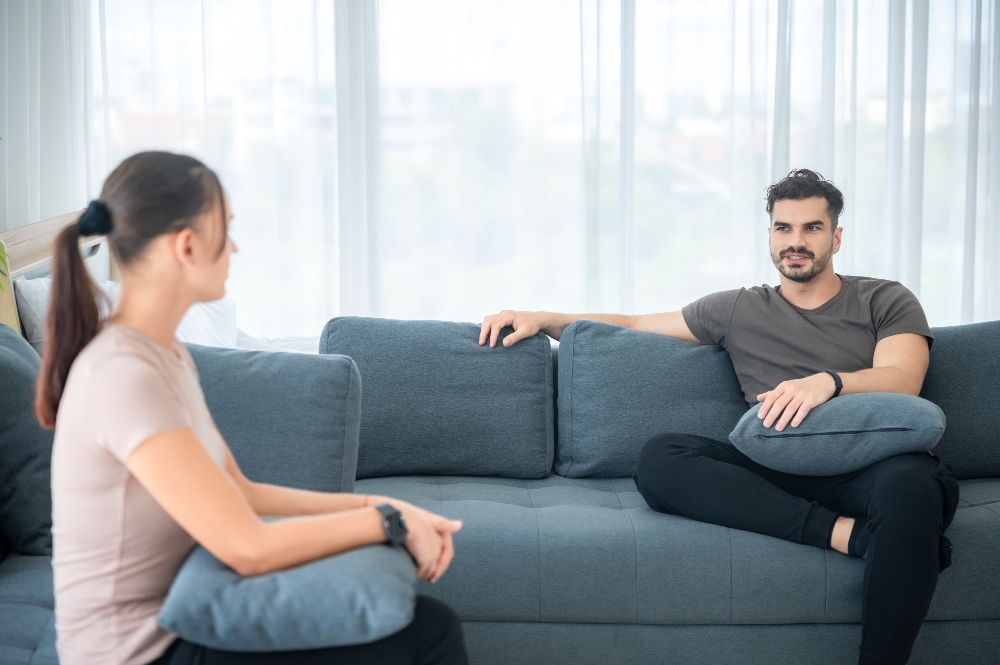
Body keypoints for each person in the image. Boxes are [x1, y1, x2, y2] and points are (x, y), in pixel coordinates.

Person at [479, 168, 959, 665]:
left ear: (836, 236)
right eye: (783, 228)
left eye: (811, 228)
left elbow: (903, 377)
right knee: (661, 457)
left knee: (913, 490)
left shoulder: (884, 298)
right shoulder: (737, 308)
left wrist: (827, 382)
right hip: (775, 460)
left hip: (870, 463)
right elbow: (638, 323)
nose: (796, 241)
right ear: (770, 236)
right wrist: (543, 318)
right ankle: (851, 536)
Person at [40, 151, 469, 665]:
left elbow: (240, 492)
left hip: (182, 623)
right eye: (229, 230)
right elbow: (248, 546)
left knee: (426, 626)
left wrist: (377, 506)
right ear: (189, 245)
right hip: (142, 653)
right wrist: (390, 523)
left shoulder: (166, 356)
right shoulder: (124, 375)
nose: (236, 247)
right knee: (429, 634)